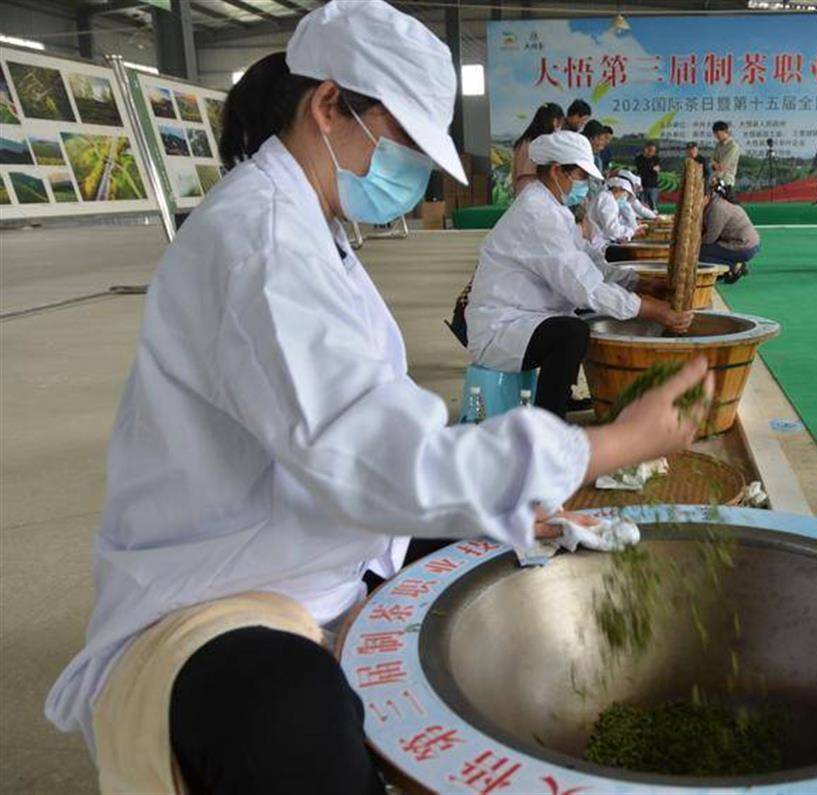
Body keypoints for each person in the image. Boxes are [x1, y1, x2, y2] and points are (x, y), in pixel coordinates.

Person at [43, 6, 715, 793]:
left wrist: (498, 500)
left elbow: (381, 419)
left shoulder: (315, 227)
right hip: (218, 590)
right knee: (289, 718)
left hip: (319, 544)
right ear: (329, 106)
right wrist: (610, 444)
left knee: (518, 549)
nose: (410, 176)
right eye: (400, 144)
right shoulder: (259, 243)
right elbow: (374, 457)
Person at [467, 132, 691, 418]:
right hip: (502, 325)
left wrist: (640, 282)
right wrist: (652, 309)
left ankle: (559, 393)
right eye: (581, 176)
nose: (584, 185)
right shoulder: (538, 214)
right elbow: (587, 289)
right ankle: (549, 422)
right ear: (557, 170)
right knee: (572, 333)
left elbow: (589, 262)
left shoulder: (554, 208)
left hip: (528, 313)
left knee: (585, 318)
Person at [701, 181, 761, 283]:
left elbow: (710, 238)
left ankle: (735, 266)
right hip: (749, 243)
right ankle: (725, 270)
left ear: (707, 197)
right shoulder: (715, 202)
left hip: (744, 247)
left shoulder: (717, 209)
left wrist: (694, 242)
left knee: (700, 253)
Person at [510, 101, 563, 197]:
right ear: (555, 121)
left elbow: (514, 172)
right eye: (560, 123)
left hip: (520, 189)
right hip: (537, 190)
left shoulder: (522, 141)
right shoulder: (545, 142)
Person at [588, 175, 642, 246]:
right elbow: (613, 229)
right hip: (598, 242)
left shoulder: (607, 197)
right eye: (625, 192)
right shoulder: (608, 200)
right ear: (618, 189)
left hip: (599, 238)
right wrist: (632, 231)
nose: (625, 196)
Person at [711, 120, 741, 189]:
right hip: (715, 180)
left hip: (726, 181)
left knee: (726, 199)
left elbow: (723, 166)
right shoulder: (718, 145)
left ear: (725, 131)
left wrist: (715, 165)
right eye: (715, 134)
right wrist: (714, 164)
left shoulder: (733, 146)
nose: (716, 136)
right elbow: (712, 160)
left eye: (718, 134)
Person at [634, 141, 661, 210]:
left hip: (653, 186)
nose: (652, 153)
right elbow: (641, 168)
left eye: (653, 151)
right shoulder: (639, 158)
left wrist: (649, 168)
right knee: (641, 206)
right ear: (645, 149)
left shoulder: (656, 158)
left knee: (653, 206)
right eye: (650, 150)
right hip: (642, 185)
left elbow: (657, 169)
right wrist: (651, 168)